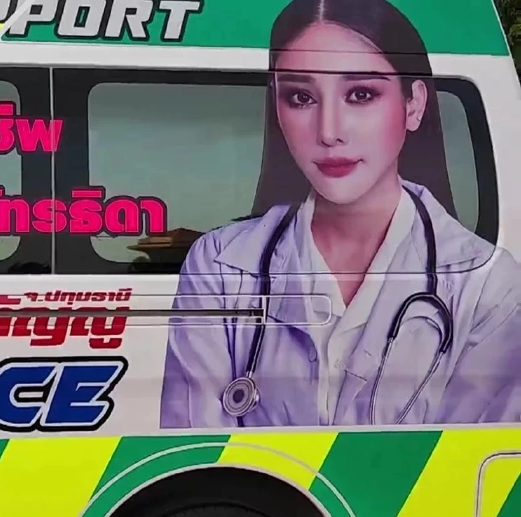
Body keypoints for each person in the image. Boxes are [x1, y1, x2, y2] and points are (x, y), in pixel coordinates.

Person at [159, 0, 521, 428]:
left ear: (413, 104)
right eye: (301, 97)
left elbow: (476, 457)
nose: (329, 132)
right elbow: (196, 452)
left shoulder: (487, 285)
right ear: (277, 107)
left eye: (361, 94)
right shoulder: (219, 266)